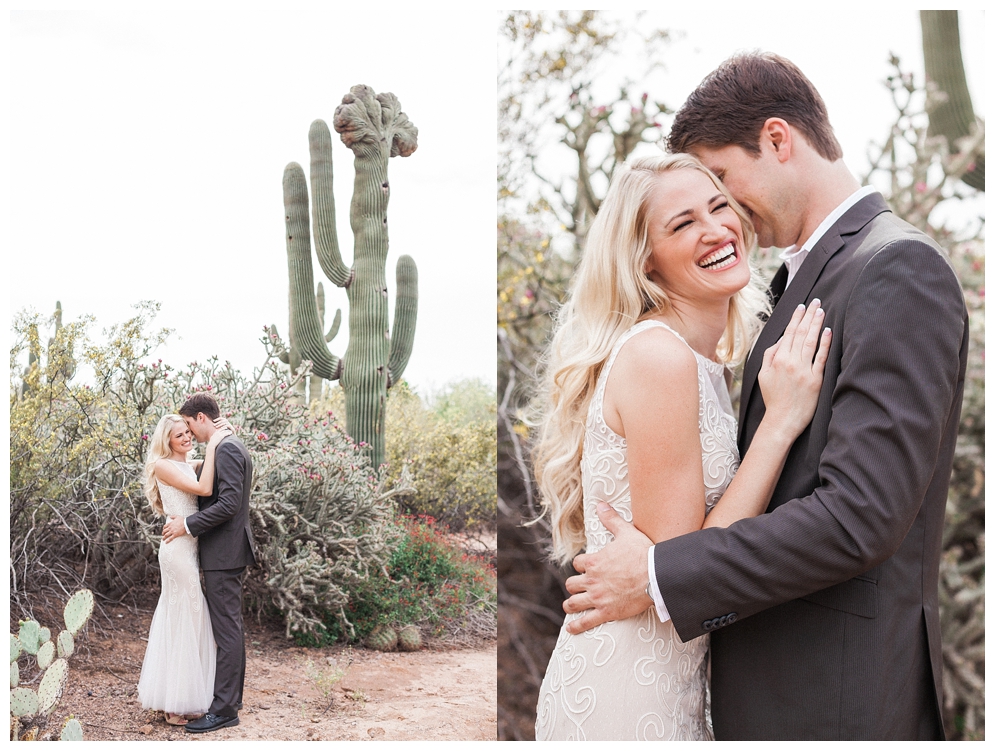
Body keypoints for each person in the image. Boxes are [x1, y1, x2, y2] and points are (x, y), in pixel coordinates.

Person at [561, 52, 968, 740]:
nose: (725, 219)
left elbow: (860, 515)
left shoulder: (894, 266)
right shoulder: (803, 281)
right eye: (687, 215)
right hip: (750, 693)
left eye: (721, 182)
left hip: (835, 699)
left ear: (777, 140)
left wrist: (660, 571)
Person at [532, 152, 832, 740]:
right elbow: (680, 562)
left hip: (674, 674)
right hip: (626, 688)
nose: (715, 229)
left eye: (719, 207)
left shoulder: (703, 363)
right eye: (683, 223)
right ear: (646, 261)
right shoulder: (659, 357)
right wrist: (779, 425)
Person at [161, 392, 258, 734]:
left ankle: (225, 709)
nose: (189, 433)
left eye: (188, 425)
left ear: (201, 418)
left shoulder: (227, 448)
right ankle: (232, 699)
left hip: (223, 552)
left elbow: (230, 503)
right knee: (230, 627)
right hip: (226, 551)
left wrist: (187, 525)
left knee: (226, 630)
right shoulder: (228, 445)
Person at [137, 413, 231, 725]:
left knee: (190, 617)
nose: (186, 439)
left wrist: (217, 433)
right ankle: (175, 704)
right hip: (176, 551)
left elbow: (205, 471)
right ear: (167, 441)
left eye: (187, 432)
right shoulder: (162, 465)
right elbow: (204, 489)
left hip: (189, 547)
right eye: (179, 436)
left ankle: (181, 696)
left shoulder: (186, 465)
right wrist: (215, 442)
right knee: (184, 616)